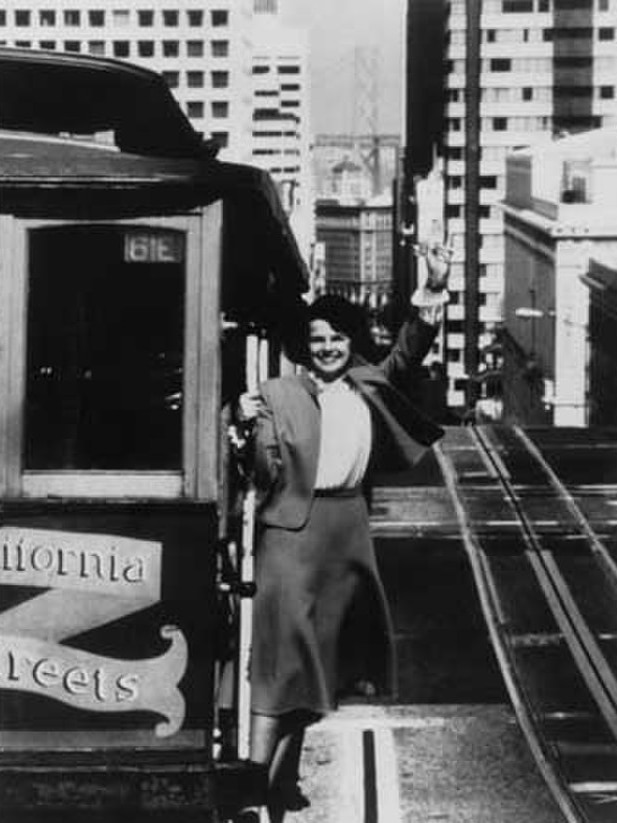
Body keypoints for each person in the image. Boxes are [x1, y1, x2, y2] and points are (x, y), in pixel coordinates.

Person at [234, 243, 451, 823]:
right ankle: (253, 778)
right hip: (290, 533)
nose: (327, 347)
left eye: (336, 337)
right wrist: (247, 426)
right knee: (283, 657)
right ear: (302, 347)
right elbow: (261, 474)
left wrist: (433, 287)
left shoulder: (368, 384)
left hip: (347, 534)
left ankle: (278, 781)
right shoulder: (279, 395)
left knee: (325, 662)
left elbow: (411, 347)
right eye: (317, 340)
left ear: (351, 339)